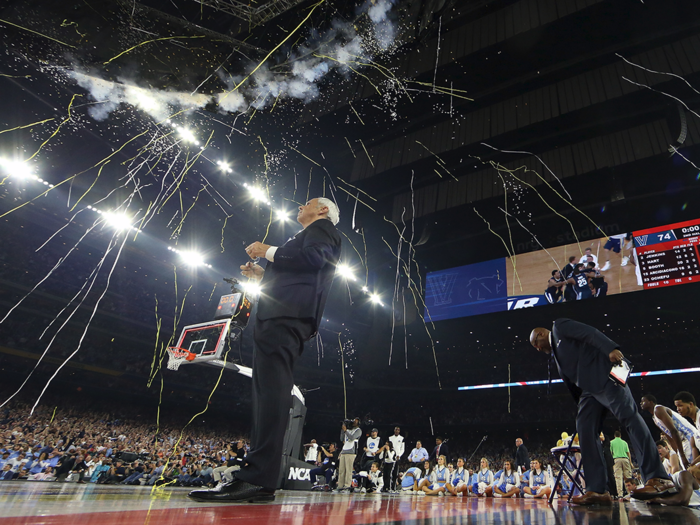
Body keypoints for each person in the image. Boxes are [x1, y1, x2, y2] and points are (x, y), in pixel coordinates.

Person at [189, 197, 342, 503]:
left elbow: (314, 259)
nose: (301, 205)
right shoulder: (311, 234)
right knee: (266, 392)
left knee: (272, 393)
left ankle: (258, 477)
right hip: (282, 314)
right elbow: (304, 272)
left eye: (308, 202)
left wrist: (266, 251)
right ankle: (260, 477)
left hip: (286, 316)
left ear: (323, 210)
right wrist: (264, 274)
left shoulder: (322, 228)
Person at [529, 319, 674, 505]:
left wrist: (610, 349)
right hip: (589, 392)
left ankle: (658, 477)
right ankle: (597, 489)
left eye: (536, 344)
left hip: (605, 376)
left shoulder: (559, 327)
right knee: (585, 429)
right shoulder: (557, 356)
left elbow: (589, 332)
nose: (538, 349)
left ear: (541, 334)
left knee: (629, 417)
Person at [641, 394, 699, 469]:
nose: (641, 403)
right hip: (682, 441)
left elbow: (674, 431)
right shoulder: (654, 418)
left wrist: (682, 455)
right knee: (689, 471)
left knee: (693, 470)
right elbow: (669, 436)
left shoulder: (658, 409)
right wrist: (678, 452)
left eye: (643, 401)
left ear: (651, 402)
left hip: (689, 436)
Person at [337, 418, 362, 492]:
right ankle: (340, 486)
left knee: (348, 470)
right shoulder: (349, 430)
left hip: (351, 452)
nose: (354, 421)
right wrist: (342, 429)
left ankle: (347, 486)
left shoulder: (358, 430)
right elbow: (342, 439)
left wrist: (345, 430)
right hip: (344, 451)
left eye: (356, 421)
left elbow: (352, 437)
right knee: (341, 470)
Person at [610, 431, 633, 499]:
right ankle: (630, 493)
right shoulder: (624, 442)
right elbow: (628, 453)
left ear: (614, 436)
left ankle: (620, 494)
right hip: (625, 459)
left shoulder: (612, 442)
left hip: (616, 459)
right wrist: (630, 462)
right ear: (620, 436)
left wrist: (611, 462)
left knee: (618, 478)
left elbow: (611, 452)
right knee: (628, 477)